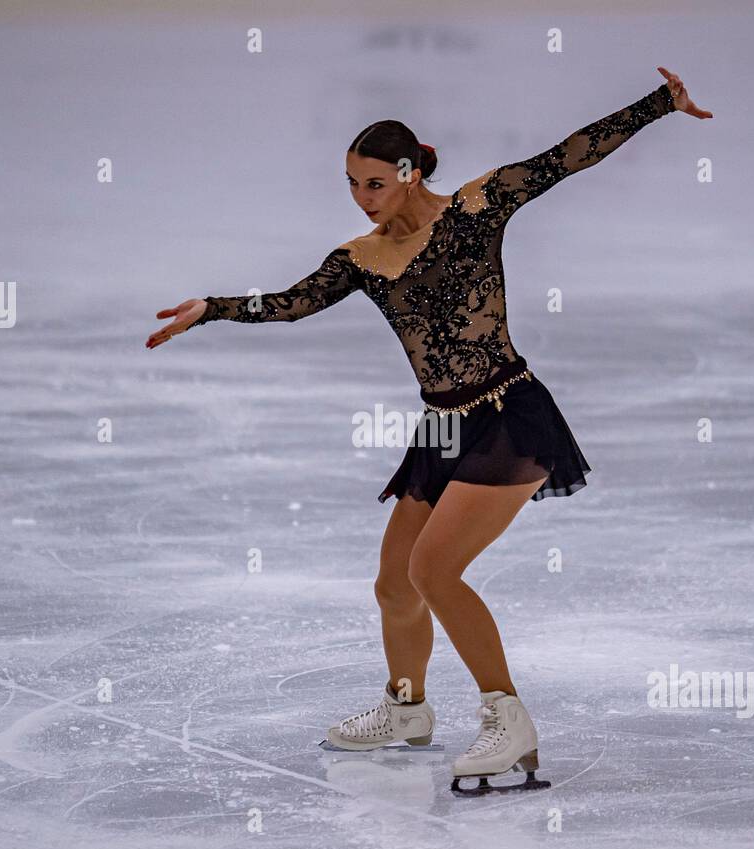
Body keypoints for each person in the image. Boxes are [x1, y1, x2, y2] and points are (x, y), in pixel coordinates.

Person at [147, 66, 711, 794]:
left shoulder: (477, 207)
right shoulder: (359, 257)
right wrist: (213, 307)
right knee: (394, 583)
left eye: (374, 183)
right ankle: (407, 710)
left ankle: (509, 719)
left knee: (434, 572)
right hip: (443, 430)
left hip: (510, 415)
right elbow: (292, 303)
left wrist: (662, 103)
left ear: (410, 174)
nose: (360, 197)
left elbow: (567, 156)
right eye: (351, 182)